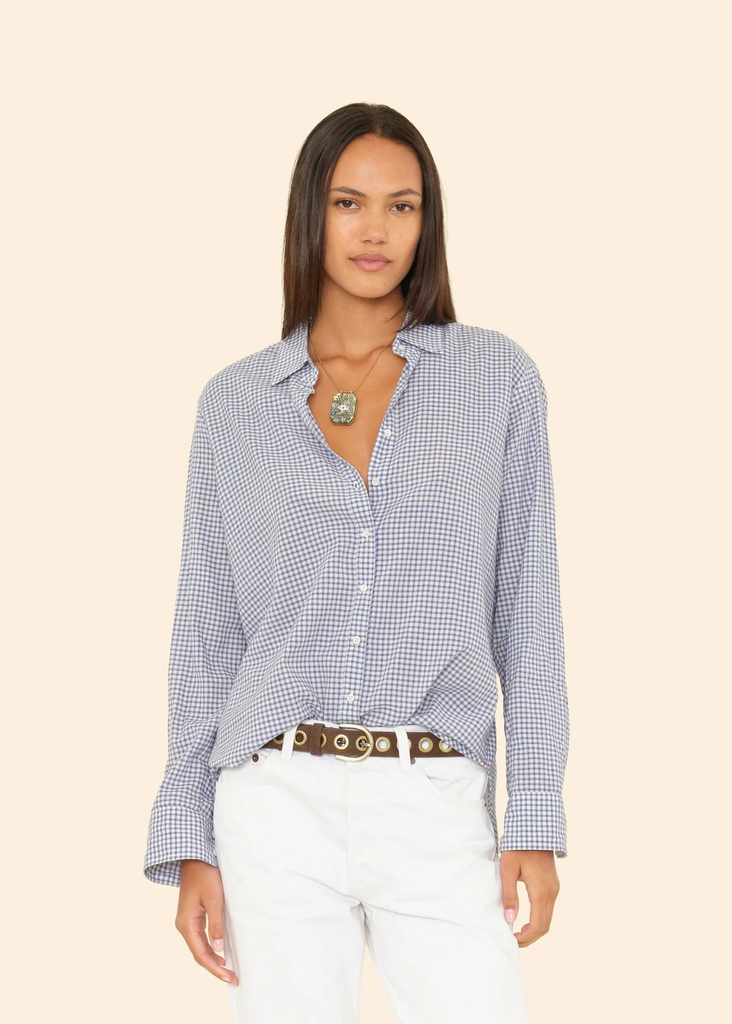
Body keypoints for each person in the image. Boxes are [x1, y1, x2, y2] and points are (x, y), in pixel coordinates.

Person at [143, 101, 570, 1024]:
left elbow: (528, 610)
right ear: (312, 213)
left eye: (401, 206)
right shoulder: (235, 404)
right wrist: (190, 839)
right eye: (349, 203)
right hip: (271, 800)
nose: (376, 230)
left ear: (427, 221)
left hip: (434, 794)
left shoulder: (495, 379)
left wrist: (534, 816)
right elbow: (206, 632)